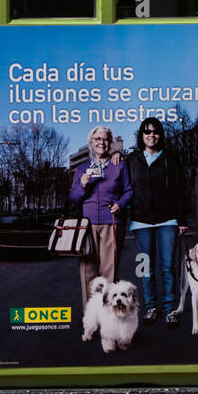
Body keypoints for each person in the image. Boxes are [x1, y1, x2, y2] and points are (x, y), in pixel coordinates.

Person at [124, 117, 190, 327]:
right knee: (144, 267)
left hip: (167, 220)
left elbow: (181, 191)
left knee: (168, 266)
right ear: (141, 135)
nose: (151, 135)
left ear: (160, 135)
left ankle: (170, 309)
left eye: (155, 131)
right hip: (141, 222)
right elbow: (124, 186)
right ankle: (151, 307)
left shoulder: (171, 159)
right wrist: (116, 154)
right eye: (147, 131)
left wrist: (181, 219)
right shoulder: (132, 160)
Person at [67, 126, 133, 308]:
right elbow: (73, 198)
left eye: (105, 139)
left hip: (111, 223)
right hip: (86, 225)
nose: (101, 142)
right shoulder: (81, 169)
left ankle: (110, 319)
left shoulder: (119, 164)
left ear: (109, 142)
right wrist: (81, 185)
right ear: (91, 142)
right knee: (87, 272)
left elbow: (128, 191)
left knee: (109, 274)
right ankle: (91, 317)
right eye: (97, 139)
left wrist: (120, 204)